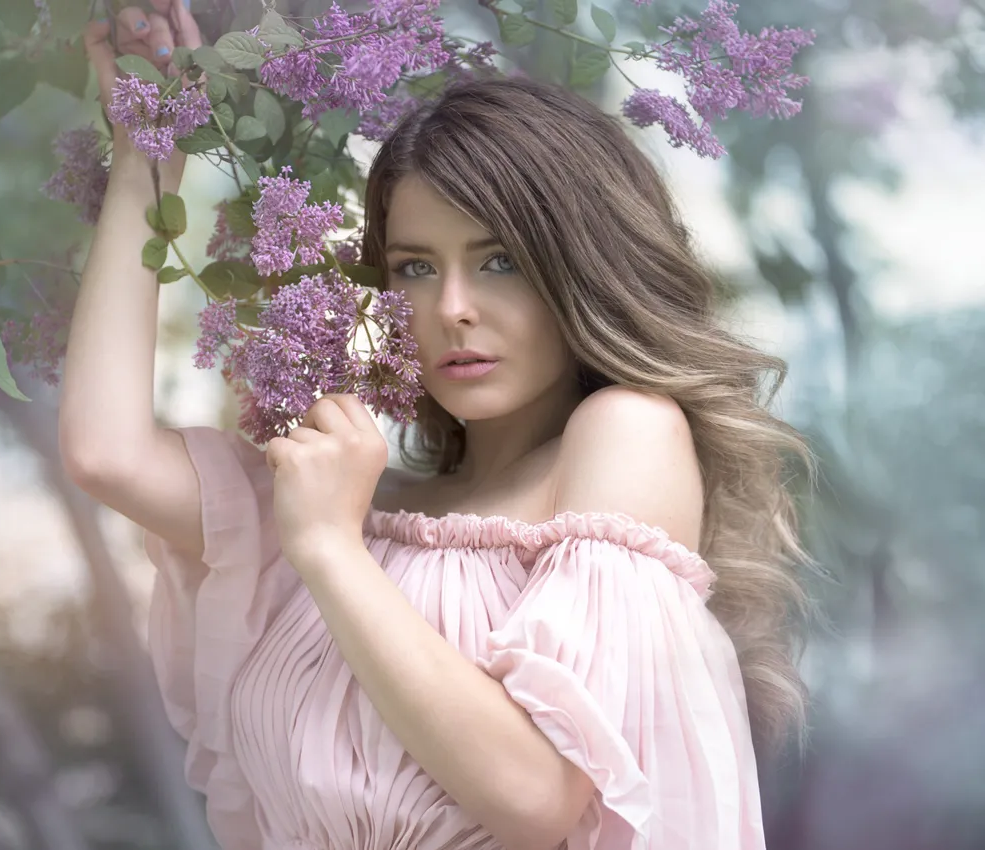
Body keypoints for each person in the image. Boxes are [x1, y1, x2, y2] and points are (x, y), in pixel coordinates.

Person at [60, 3, 813, 848]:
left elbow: (537, 798)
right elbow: (106, 454)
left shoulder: (623, 434)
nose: (452, 309)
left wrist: (332, 552)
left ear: (583, 266)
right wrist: (146, 153)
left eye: (500, 262)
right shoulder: (354, 500)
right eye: (417, 267)